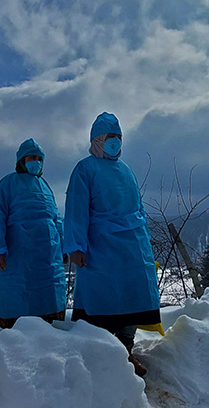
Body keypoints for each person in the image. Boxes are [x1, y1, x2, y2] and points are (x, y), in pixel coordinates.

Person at [64, 112, 161, 376]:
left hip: (132, 245)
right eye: (110, 137)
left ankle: (126, 350)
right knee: (102, 300)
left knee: (133, 298)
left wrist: (143, 243)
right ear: (97, 140)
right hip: (101, 246)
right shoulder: (85, 169)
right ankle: (106, 356)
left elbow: (138, 208)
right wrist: (75, 245)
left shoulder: (126, 170)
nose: (115, 142)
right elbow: (76, 209)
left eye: (118, 137)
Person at [0, 138, 67, 328]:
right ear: (22, 160)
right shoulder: (8, 184)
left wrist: (63, 247)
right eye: (32, 157)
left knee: (49, 294)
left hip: (48, 256)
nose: (36, 161)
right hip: (18, 254)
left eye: (40, 158)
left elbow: (55, 219)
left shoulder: (45, 186)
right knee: (20, 295)